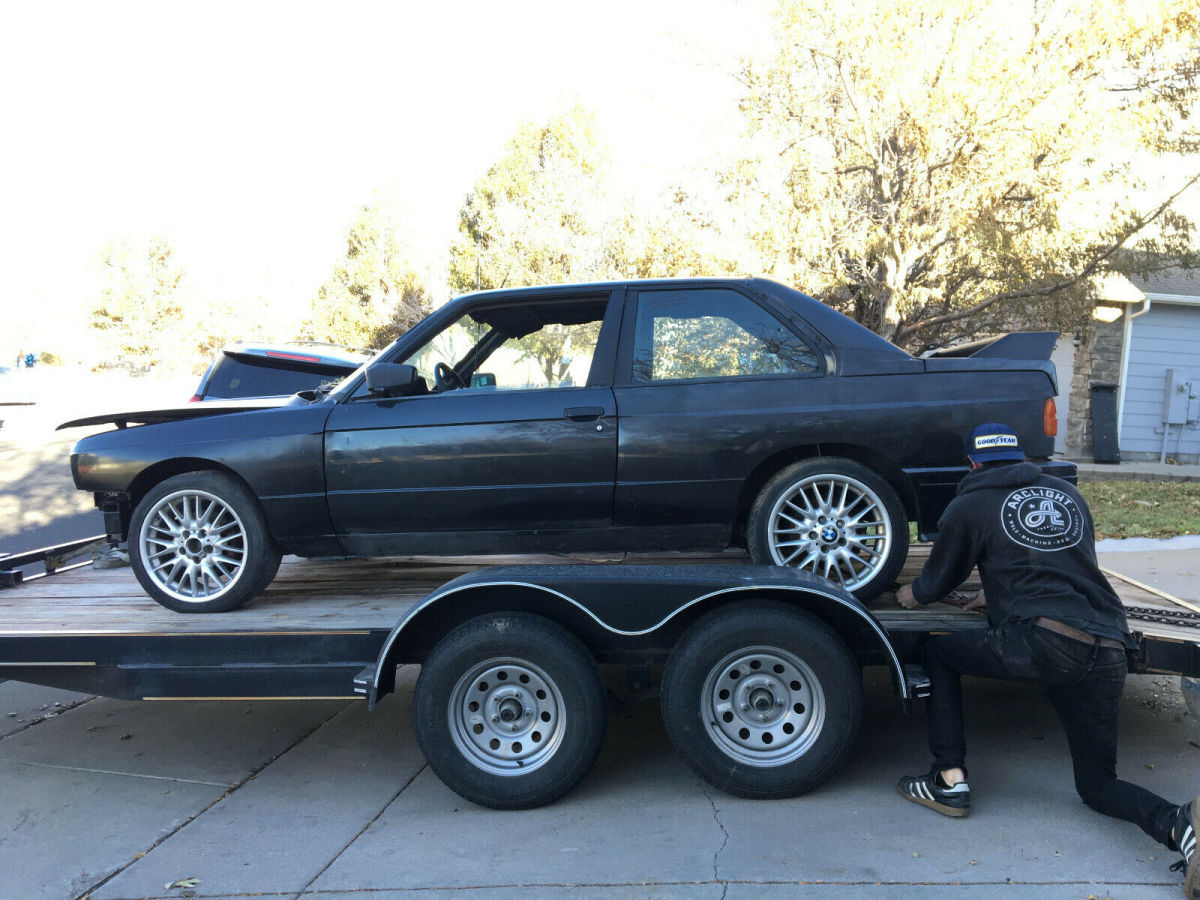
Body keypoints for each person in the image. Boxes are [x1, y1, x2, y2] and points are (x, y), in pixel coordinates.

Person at [894, 422, 1196, 898]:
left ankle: (948, 780)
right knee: (1097, 787)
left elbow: (935, 583)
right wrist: (998, 601)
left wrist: (909, 592)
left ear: (971, 463)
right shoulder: (1067, 496)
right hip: (1108, 645)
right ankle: (1179, 825)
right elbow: (1068, 568)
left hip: (1044, 643)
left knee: (937, 652)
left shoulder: (967, 504)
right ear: (1023, 457)